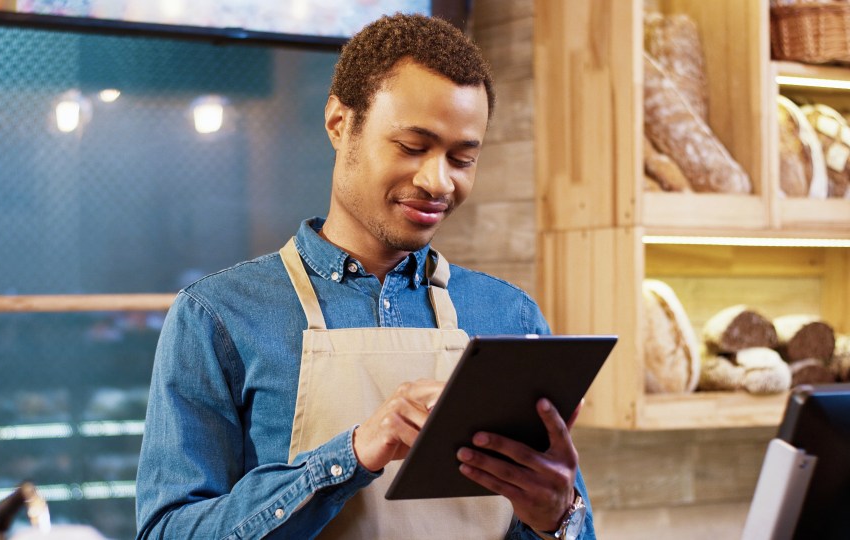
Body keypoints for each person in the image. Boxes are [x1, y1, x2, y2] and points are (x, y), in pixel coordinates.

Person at [136, 13, 595, 540]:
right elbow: (168, 533)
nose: (437, 181)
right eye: (412, 146)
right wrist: (349, 454)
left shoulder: (511, 317)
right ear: (339, 123)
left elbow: (571, 530)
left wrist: (557, 519)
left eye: (462, 158)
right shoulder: (218, 316)